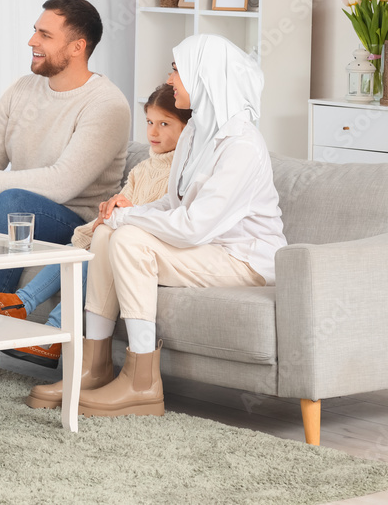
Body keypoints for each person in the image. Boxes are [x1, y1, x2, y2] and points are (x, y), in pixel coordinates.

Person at [26, 33, 287, 416]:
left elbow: (193, 226)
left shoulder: (241, 146)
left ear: (205, 76)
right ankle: (93, 366)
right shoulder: (197, 132)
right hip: (208, 249)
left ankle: (142, 382)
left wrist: (130, 217)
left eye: (178, 70)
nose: (169, 80)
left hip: (244, 261)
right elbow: (173, 201)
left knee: (129, 238)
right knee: (105, 232)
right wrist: (121, 212)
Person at [0, 0, 131, 376]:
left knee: (11, 203)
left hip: (73, 221)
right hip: (19, 210)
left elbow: (61, 183)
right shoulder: (23, 89)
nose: (31, 41)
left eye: (44, 34)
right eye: (34, 31)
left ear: (77, 47)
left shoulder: (106, 105)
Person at [0, 83, 192, 368]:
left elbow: (169, 218)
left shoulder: (181, 170)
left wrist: (123, 216)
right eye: (149, 122)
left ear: (186, 129)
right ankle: (20, 306)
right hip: (118, 240)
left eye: (164, 124)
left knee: (91, 259)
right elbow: (124, 203)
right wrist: (107, 213)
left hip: (145, 252)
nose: (154, 132)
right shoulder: (142, 169)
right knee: (76, 251)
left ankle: (47, 332)